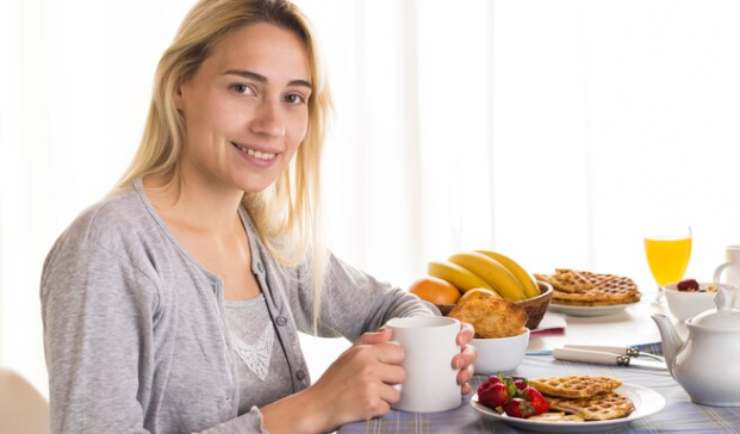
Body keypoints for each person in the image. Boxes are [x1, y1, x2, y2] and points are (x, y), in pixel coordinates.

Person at [40, 1, 477, 433]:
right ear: (179, 87)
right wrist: (315, 407)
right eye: (243, 88)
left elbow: (391, 307)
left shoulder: (266, 237)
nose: (272, 125)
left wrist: (434, 351)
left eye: (293, 97)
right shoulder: (108, 248)